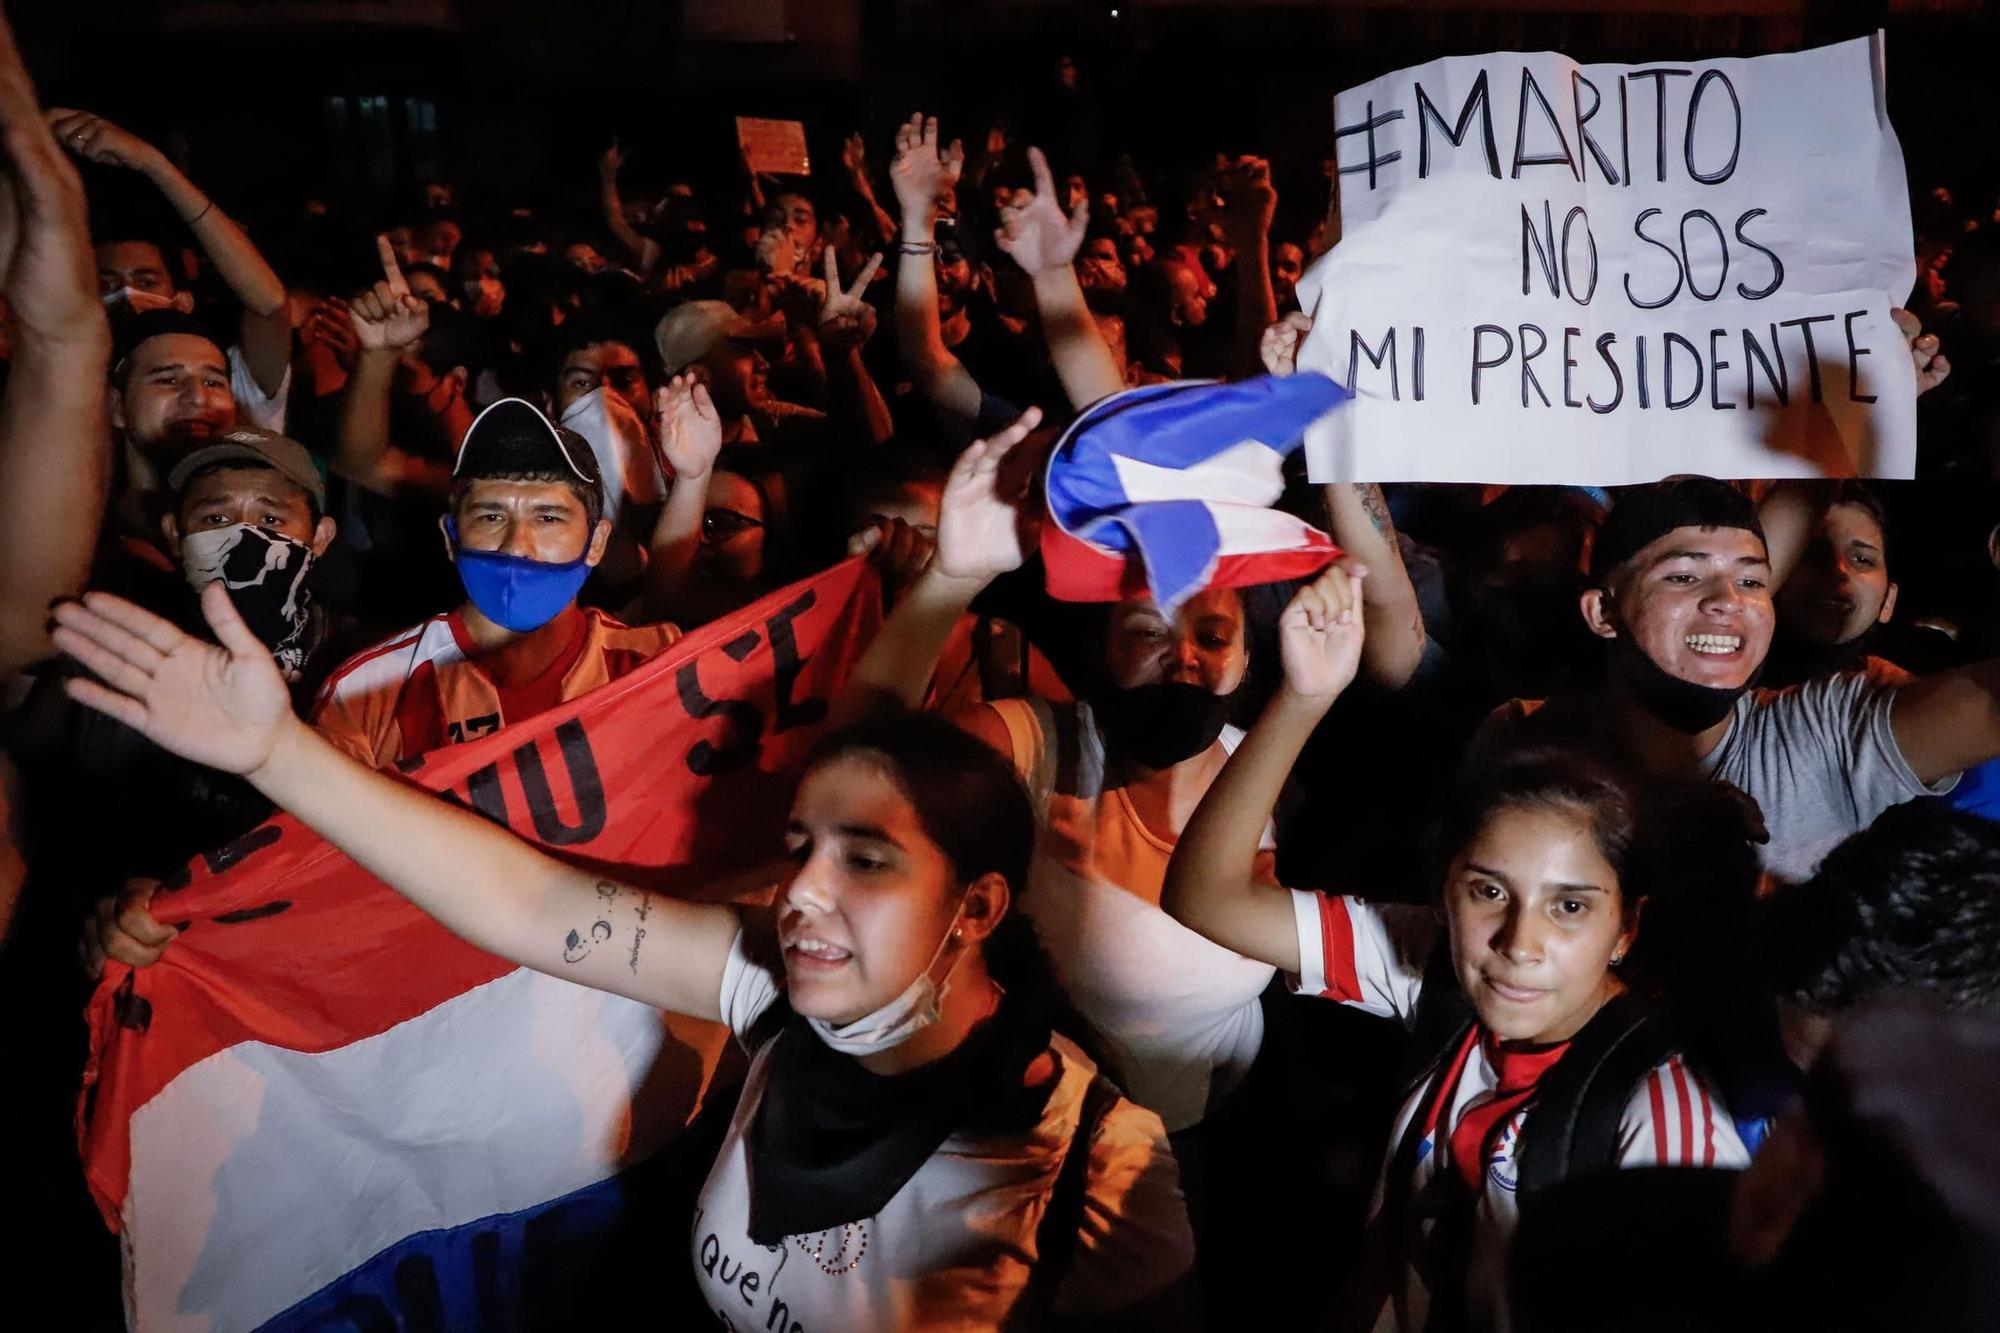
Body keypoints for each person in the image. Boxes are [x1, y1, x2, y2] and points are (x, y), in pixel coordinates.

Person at [49, 592, 1197, 1330]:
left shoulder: (1099, 1167)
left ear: (977, 905)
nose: (800, 889)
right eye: (797, 847)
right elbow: (529, 900)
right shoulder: (772, 999)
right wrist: (277, 753)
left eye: (866, 860)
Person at [1160, 568, 1747, 1332]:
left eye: (1569, 906)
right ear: (1446, 890)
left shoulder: (1662, 1122)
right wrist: (1303, 699)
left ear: (1626, 927)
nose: (1518, 943)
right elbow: (1205, 897)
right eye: (1489, 891)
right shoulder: (1437, 965)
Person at [1483, 475, 2000, 883]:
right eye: (1683, 576)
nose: (1729, 600)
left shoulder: (1821, 733)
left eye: (1752, 581)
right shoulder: (1525, 737)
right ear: (1602, 612)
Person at [311, 396, 678, 768]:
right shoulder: (364, 694)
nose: (517, 545)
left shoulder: (663, 663)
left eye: (548, 518)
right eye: (490, 516)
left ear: (596, 543)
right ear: (451, 539)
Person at [52, 108, 292, 430]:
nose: (128, 296)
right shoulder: (65, 397)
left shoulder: (228, 380)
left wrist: (156, 166)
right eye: (107, 285)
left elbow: (270, 304)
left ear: (182, 301)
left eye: (146, 281)